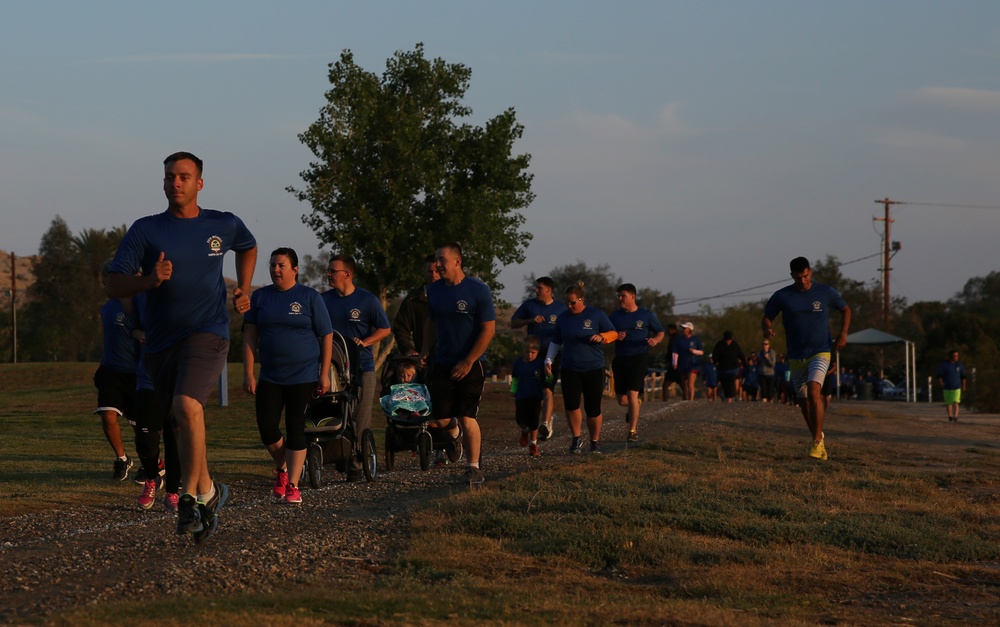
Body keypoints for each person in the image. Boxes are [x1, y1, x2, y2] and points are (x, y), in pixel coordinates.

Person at [107, 151, 257, 543]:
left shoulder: (222, 224)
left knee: (186, 406)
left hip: (208, 332)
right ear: (163, 182)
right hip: (160, 342)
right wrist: (148, 281)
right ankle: (209, 490)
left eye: (184, 177)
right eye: (170, 176)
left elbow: (248, 244)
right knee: (181, 419)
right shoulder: (145, 230)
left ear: (199, 183)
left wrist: (243, 285)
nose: (176, 183)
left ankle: (187, 497)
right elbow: (112, 284)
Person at [243, 248, 332, 504]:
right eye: (272, 265)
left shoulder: (309, 297)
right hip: (270, 375)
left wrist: (323, 373)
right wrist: (249, 372)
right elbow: (250, 336)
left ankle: (292, 484)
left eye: (281, 265)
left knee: (295, 428)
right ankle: (282, 467)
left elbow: (326, 335)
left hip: (303, 375)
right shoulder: (260, 297)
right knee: (267, 428)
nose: (275, 269)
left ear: (295, 269)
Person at [419, 243, 496, 485]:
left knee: (467, 416)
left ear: (457, 261)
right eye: (436, 260)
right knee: (440, 419)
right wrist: (424, 349)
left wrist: (469, 360)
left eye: (442, 260)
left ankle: (473, 468)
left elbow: (488, 329)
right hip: (443, 362)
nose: (438, 264)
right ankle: (453, 436)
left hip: (472, 364)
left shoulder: (478, 290)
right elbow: (432, 321)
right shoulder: (435, 290)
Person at [762, 256, 851, 461]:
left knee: (814, 391)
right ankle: (817, 437)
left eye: (805, 276)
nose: (802, 280)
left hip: (820, 350)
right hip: (796, 354)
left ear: (810, 272)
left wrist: (843, 333)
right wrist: (767, 328)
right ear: (791, 276)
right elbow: (767, 316)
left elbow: (845, 309)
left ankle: (817, 443)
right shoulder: (782, 296)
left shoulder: (825, 292)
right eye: (797, 277)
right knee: (803, 402)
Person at [322, 254, 392, 482]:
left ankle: (356, 464)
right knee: (336, 415)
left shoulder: (367, 300)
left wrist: (367, 342)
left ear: (348, 274)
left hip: (363, 367)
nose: (328, 274)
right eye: (328, 270)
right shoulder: (323, 300)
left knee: (360, 418)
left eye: (333, 270)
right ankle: (338, 453)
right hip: (333, 370)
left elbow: (384, 328)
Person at [545, 282, 617, 454]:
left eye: (573, 303)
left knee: (593, 409)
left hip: (593, 368)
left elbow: (613, 333)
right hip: (570, 368)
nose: (570, 306)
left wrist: (601, 336)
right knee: (571, 405)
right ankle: (576, 439)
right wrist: (548, 360)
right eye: (567, 303)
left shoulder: (596, 314)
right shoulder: (563, 318)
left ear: (582, 300)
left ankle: (594, 441)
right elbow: (556, 341)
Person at [510, 276, 568, 441]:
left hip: (552, 354)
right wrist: (530, 320)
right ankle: (549, 416)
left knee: (547, 388)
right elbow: (513, 323)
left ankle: (546, 423)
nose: (536, 290)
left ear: (549, 290)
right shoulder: (530, 305)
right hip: (532, 354)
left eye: (539, 288)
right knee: (537, 392)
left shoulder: (561, 309)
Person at [608, 283, 664, 442]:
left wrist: (656, 340)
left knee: (632, 393)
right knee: (622, 400)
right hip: (621, 359)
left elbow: (660, 331)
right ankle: (636, 405)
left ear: (633, 296)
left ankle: (632, 430)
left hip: (639, 358)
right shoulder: (615, 316)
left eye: (623, 296)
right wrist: (615, 335)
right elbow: (608, 333)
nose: (620, 299)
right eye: (618, 296)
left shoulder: (646, 315)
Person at [94, 287, 138, 481]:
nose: (106, 283)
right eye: (105, 279)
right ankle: (122, 459)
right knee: (107, 415)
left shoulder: (142, 305)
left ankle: (151, 463)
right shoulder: (106, 308)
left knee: (141, 427)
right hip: (110, 371)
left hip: (136, 373)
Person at [393, 255, 439, 356]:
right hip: (424, 359)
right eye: (430, 271)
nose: (434, 275)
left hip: (451, 359)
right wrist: (408, 349)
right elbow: (401, 329)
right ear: (424, 273)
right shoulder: (413, 299)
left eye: (437, 271)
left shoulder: (454, 297)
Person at [511, 336, 546, 456]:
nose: (530, 355)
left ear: (537, 352)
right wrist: (513, 390)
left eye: (533, 352)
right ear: (523, 351)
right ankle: (524, 431)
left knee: (534, 422)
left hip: (535, 397)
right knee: (519, 418)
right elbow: (515, 378)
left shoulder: (540, 363)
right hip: (521, 396)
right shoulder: (518, 363)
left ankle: (533, 444)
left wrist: (549, 374)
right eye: (527, 352)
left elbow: (548, 380)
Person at [672, 322, 704, 401]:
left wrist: (693, 351)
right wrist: (674, 362)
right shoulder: (679, 340)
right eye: (683, 328)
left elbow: (701, 352)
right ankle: (686, 399)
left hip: (693, 364)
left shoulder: (696, 339)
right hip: (682, 363)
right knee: (684, 384)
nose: (684, 330)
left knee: (690, 383)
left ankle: (691, 400)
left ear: (690, 329)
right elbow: (675, 351)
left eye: (685, 328)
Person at [712, 331, 747, 403]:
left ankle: (729, 399)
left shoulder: (735, 345)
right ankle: (725, 396)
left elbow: (741, 356)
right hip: (722, 369)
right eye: (727, 340)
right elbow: (714, 354)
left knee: (730, 383)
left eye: (729, 340)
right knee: (724, 384)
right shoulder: (719, 345)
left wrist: (746, 365)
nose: (728, 342)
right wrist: (716, 362)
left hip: (733, 369)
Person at [937, 350, 967, 422]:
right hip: (947, 387)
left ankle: (955, 416)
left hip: (957, 386)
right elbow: (939, 375)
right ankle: (950, 416)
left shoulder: (959, 365)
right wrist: (941, 382)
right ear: (951, 356)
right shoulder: (944, 364)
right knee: (949, 403)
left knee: (956, 402)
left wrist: (964, 386)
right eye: (955, 355)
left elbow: (963, 377)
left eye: (957, 355)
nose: (956, 357)